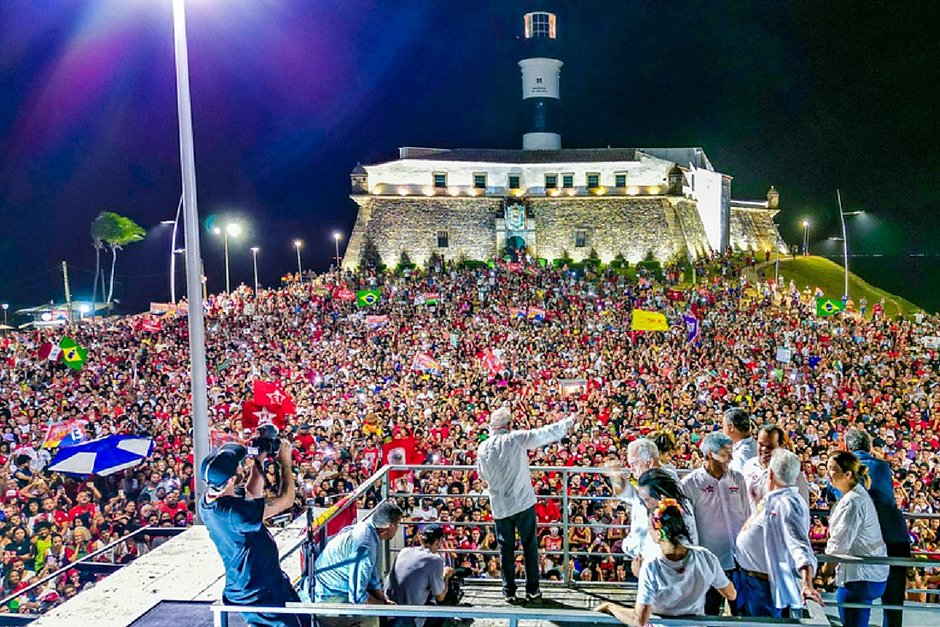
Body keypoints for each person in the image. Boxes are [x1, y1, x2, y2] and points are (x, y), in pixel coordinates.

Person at [198, 441, 308, 627]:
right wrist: (285, 463)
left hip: (259, 583)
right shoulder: (235, 513)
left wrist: (260, 459)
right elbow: (286, 500)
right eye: (239, 465)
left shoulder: (209, 501)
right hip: (259, 591)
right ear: (231, 479)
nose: (243, 465)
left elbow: (251, 492)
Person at [476, 405, 578, 604]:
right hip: (522, 502)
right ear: (509, 425)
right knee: (530, 546)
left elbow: (482, 475)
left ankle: (508, 591)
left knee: (505, 549)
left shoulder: (483, 447)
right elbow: (544, 433)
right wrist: (568, 422)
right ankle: (532, 590)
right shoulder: (516, 438)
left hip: (500, 506)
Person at [595, 500, 736, 625]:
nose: (649, 533)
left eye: (650, 529)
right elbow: (731, 594)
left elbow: (639, 620)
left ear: (658, 533)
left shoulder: (651, 566)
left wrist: (610, 607)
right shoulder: (706, 557)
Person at [735, 449, 821, 618]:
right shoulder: (777, 497)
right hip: (752, 579)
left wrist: (807, 583)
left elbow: (800, 547)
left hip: (764, 585)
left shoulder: (788, 504)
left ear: (771, 473)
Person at [844, 428, 911, 627]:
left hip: (866, 540)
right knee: (893, 600)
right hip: (895, 535)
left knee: (858, 595)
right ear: (870, 447)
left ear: (846, 447)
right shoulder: (882, 466)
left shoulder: (844, 469)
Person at [682, 431, 750, 615]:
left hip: (739, 560)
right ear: (710, 454)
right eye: (726, 454)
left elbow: (747, 514)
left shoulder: (737, 479)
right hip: (709, 562)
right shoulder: (690, 484)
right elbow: (687, 526)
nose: (730, 459)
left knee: (742, 614)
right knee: (709, 613)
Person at [314, 500, 403, 627]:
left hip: (337, 589)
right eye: (398, 524)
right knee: (371, 619)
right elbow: (357, 597)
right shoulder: (364, 546)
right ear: (391, 526)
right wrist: (384, 608)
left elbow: (372, 576)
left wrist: (383, 600)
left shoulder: (369, 531)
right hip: (327, 597)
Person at [826, 451, 889, 627]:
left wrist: (825, 570)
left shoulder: (853, 502)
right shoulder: (854, 495)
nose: (828, 473)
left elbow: (839, 545)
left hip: (860, 577)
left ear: (848, 474)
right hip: (867, 573)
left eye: (833, 469)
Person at [385, 523, 454, 627]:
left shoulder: (404, 551)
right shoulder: (434, 559)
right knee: (446, 607)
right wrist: (446, 576)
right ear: (440, 541)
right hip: (409, 616)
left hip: (388, 609)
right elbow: (440, 596)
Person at [742, 424, 810, 509]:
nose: (764, 449)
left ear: (781, 446)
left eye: (770, 446)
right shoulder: (749, 466)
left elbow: (802, 505)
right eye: (761, 444)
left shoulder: (790, 471)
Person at [722, 408, 756, 475]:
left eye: (723, 426)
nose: (722, 430)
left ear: (731, 427)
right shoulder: (755, 444)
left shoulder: (739, 457)